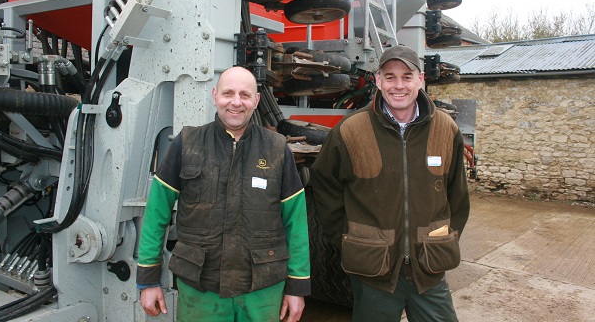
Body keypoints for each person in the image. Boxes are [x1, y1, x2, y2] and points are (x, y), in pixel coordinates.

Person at [136, 66, 311, 321]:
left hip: (262, 290)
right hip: (201, 289)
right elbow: (156, 214)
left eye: (245, 94)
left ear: (257, 100)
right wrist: (148, 280)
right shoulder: (187, 143)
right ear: (215, 95)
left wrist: (297, 287)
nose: (236, 102)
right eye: (228, 93)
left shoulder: (277, 149)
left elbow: (296, 223)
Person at [310, 45, 470, 321]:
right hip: (374, 274)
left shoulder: (446, 129)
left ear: (420, 80)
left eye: (407, 77)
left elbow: (458, 197)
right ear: (378, 80)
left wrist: (445, 240)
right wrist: (348, 239)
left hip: (428, 270)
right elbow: (324, 188)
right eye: (390, 76)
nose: (399, 85)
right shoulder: (351, 131)